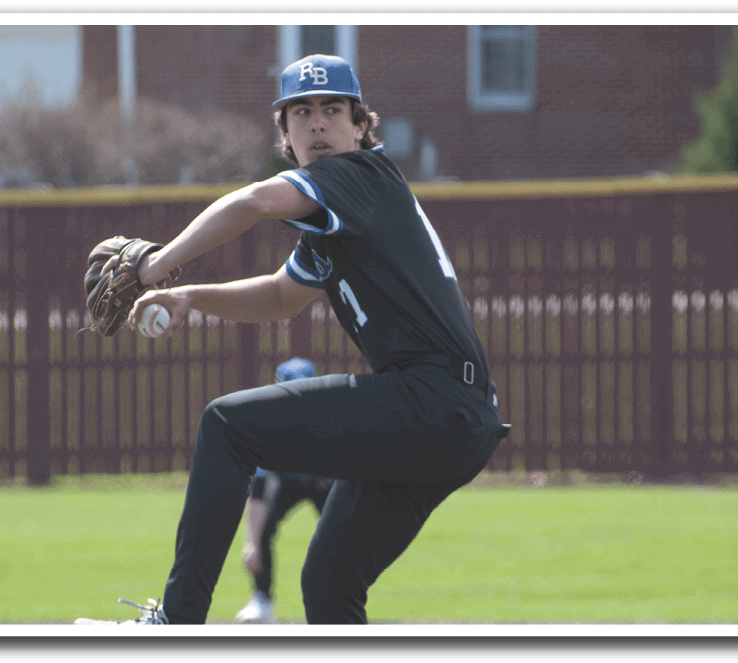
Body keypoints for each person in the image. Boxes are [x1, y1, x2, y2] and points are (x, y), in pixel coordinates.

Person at [74, 54, 509, 626]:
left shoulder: (357, 177)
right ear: (285, 132)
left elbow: (254, 201)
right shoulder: (335, 216)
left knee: (227, 428)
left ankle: (177, 623)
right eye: (301, 112)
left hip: (433, 400)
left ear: (360, 126)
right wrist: (191, 296)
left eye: (333, 109)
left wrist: (155, 266)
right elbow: (282, 297)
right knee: (330, 581)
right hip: (454, 418)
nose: (318, 124)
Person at [236, 358, 335, 624]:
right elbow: (259, 489)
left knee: (342, 536)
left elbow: (349, 479)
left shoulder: (333, 421)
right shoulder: (267, 425)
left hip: (322, 482)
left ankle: (342, 601)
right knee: (263, 529)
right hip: (286, 484)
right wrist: (251, 543)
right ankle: (261, 599)